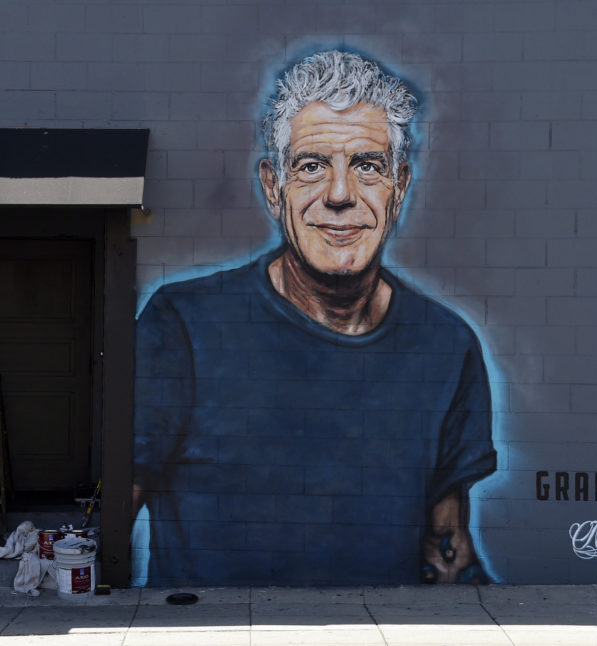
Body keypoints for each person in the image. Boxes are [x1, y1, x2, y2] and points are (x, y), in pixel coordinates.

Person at [133, 50, 497, 587]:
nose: (341, 195)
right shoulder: (182, 327)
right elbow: (109, 521)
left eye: (367, 167)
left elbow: (447, 549)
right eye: (311, 166)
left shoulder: (447, 347)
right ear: (273, 188)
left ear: (398, 188)